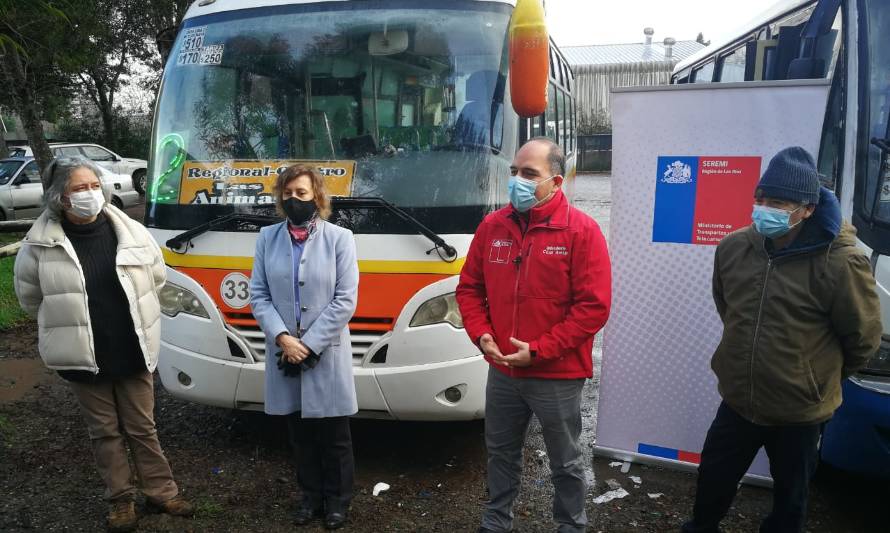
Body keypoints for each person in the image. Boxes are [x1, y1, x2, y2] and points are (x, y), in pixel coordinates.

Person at [682, 146, 882, 533]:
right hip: (739, 400)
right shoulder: (735, 247)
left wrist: (813, 378)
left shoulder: (840, 261)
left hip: (800, 411)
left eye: (778, 202)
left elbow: (862, 338)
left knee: (792, 499)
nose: (764, 209)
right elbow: (729, 308)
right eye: (760, 200)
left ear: (807, 209)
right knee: (712, 482)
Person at [13, 157, 194, 532]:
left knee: (143, 427)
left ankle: (161, 492)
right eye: (79, 189)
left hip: (132, 347)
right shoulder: (40, 244)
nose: (90, 194)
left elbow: (157, 277)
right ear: (60, 197)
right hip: (84, 355)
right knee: (105, 432)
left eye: (93, 185)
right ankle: (121, 501)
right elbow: (30, 298)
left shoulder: (131, 231)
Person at [456, 137, 612, 533]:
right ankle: (496, 522)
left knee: (566, 459)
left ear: (556, 182)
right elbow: (469, 289)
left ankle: (570, 525)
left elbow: (593, 307)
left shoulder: (582, 231)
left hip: (556, 374)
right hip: (504, 370)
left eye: (529, 174)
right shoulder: (493, 226)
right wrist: (482, 335)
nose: (517, 181)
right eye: (513, 172)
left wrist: (540, 351)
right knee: (500, 453)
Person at [249, 164, 359, 530]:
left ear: (318, 197)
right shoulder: (267, 238)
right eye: (289, 193)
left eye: (302, 193)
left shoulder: (340, 238)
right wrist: (283, 339)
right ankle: (310, 497)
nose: (295, 199)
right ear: (281, 197)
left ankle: (338, 501)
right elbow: (258, 295)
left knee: (334, 435)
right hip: (285, 350)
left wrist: (308, 346)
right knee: (300, 434)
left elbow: (345, 300)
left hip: (324, 351)